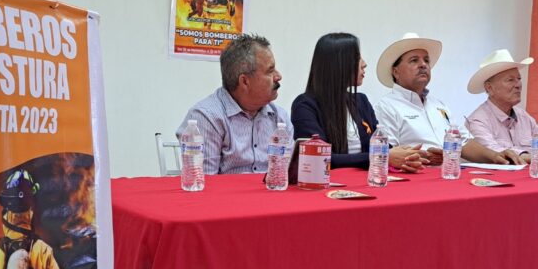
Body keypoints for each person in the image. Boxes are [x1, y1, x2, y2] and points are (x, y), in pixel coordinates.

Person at [373, 33, 519, 165]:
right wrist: (424, 156)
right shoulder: (386, 106)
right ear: (396, 71)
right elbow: (388, 153)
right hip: (415, 177)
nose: (423, 65)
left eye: (426, 60)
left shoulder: (438, 105)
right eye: (414, 60)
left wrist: (495, 156)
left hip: (448, 173)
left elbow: (463, 142)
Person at [290, 33, 425, 171]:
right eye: (357, 58)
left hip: (366, 182)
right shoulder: (305, 105)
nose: (364, 64)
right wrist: (381, 155)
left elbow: (379, 146)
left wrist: (407, 156)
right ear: (338, 64)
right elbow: (317, 157)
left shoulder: (361, 101)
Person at [177, 34, 291, 174]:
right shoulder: (206, 117)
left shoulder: (280, 118)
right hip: (223, 195)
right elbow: (204, 183)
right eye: (270, 71)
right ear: (245, 81)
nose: (278, 76)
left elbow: (286, 176)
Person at [464, 49, 538, 163]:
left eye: (519, 79)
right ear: (489, 88)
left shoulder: (524, 117)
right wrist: (531, 157)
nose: (518, 85)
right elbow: (494, 153)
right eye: (510, 80)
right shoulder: (478, 120)